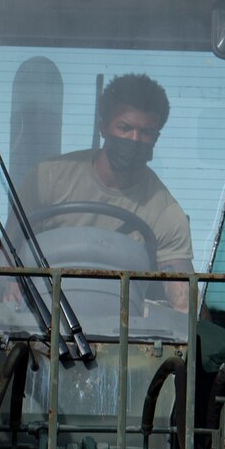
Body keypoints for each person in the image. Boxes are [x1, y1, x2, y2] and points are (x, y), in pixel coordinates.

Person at [19, 73, 193, 311]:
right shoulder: (48, 178)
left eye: (145, 133)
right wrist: (10, 284)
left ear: (156, 137)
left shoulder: (165, 211)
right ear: (103, 127)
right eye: (124, 127)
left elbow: (183, 300)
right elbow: (7, 249)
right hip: (39, 322)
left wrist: (184, 309)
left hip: (122, 337)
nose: (134, 139)